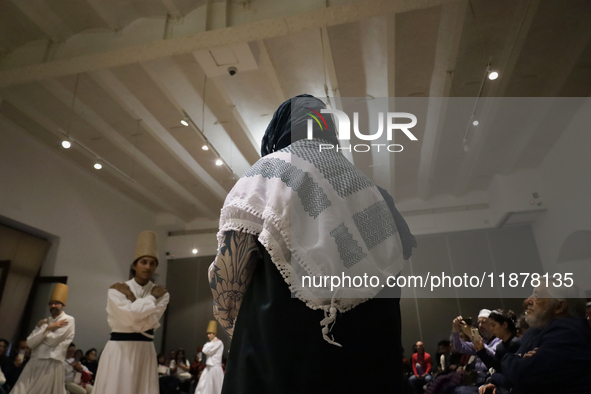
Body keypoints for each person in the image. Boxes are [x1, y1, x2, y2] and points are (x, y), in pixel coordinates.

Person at [208, 95, 416, 393]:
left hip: (281, 354)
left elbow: (229, 279)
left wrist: (236, 330)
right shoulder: (375, 192)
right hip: (370, 355)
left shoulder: (265, 173)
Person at [93, 230, 170, 394]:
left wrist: (132, 306)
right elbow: (130, 317)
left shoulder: (162, 293)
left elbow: (140, 320)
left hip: (145, 351)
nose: (148, 267)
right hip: (119, 350)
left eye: (152, 263)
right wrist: (149, 301)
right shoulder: (117, 289)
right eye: (143, 262)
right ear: (134, 265)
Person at [499, 282, 591, 393]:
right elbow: (514, 377)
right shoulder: (536, 330)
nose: (527, 301)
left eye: (537, 296)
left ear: (559, 306)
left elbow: (523, 374)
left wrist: (509, 358)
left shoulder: (569, 333)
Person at [12, 283, 75, 394]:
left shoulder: (68, 320)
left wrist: (41, 336)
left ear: (63, 305)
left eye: (56, 303)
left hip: (51, 362)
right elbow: (30, 343)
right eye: (51, 303)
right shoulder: (45, 321)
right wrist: (48, 327)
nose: (53, 306)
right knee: (21, 390)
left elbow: (53, 340)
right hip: (35, 360)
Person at [451, 309, 501, 388]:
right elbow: (459, 347)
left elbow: (492, 354)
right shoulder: (483, 340)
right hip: (477, 380)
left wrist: (472, 336)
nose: (480, 325)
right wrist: (455, 330)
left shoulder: (498, 340)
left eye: (484, 322)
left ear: (491, 324)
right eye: (479, 323)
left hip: (490, 380)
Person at [195, 321, 224, 394]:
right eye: (208, 334)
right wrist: (210, 344)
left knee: (216, 386)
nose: (208, 335)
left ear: (214, 334)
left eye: (210, 333)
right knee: (204, 385)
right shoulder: (210, 343)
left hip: (215, 367)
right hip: (208, 367)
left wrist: (209, 345)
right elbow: (204, 350)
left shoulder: (219, 342)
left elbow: (208, 351)